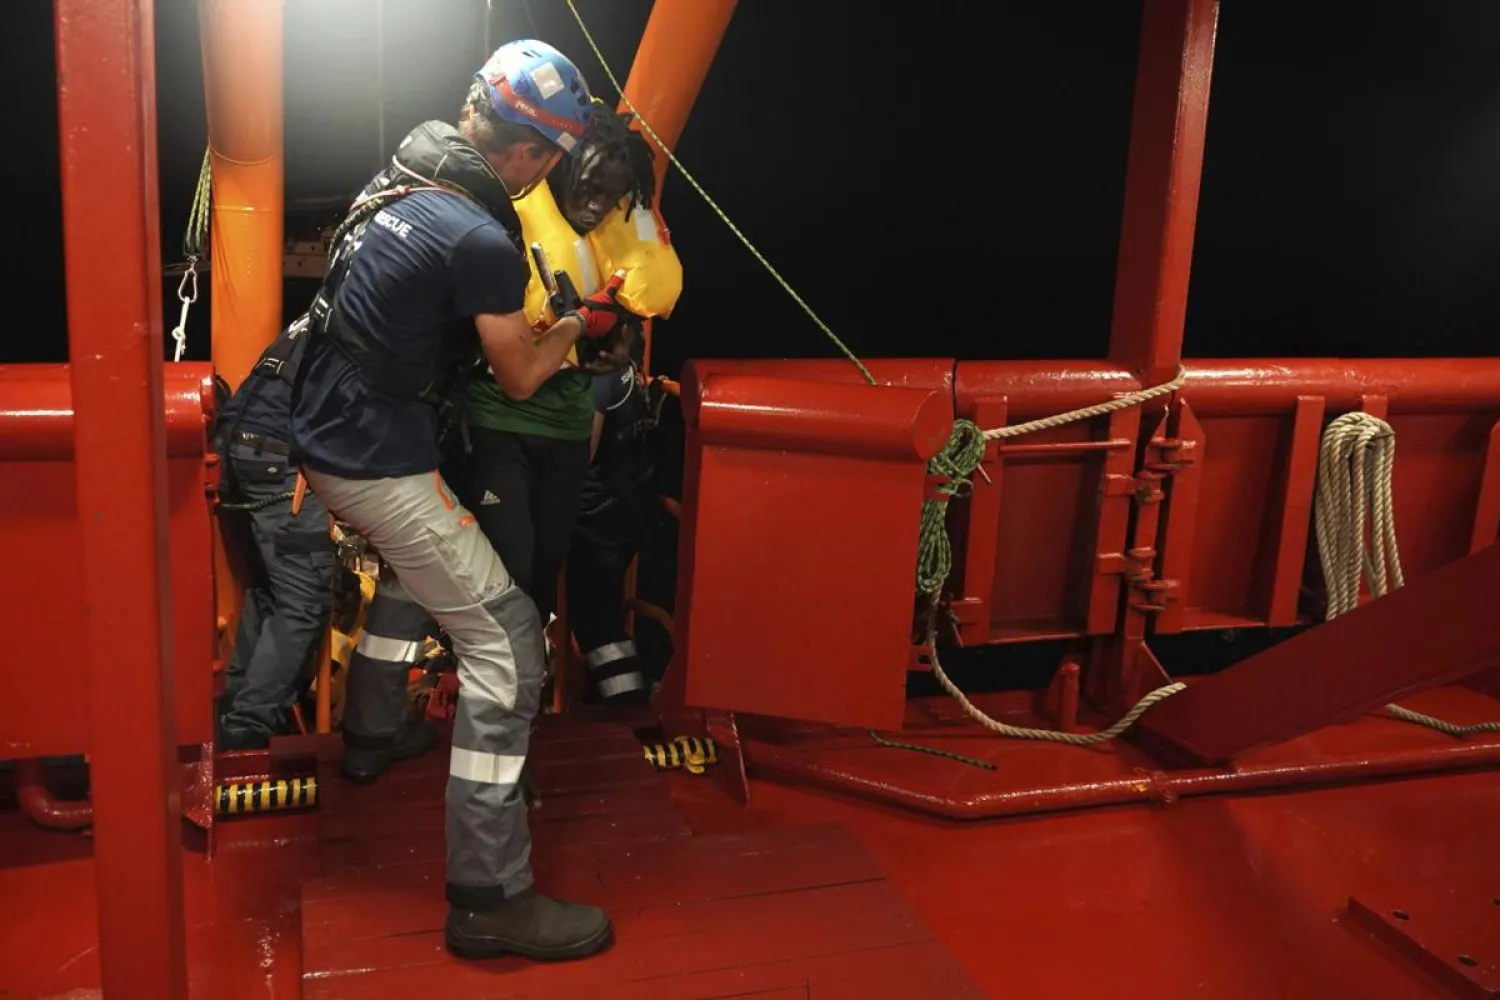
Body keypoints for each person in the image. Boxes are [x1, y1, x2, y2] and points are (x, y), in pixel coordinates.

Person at [289, 40, 631, 962]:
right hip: (376, 462)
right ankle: (488, 894)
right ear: (533, 154)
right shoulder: (481, 235)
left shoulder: (402, 174)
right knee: (509, 641)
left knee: (424, 575)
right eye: (551, 160)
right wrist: (574, 324)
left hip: (323, 433)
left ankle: (370, 734)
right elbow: (520, 378)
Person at [459, 105, 662, 640]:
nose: (596, 206)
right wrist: (573, 324)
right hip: (498, 418)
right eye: (590, 187)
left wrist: (621, 329)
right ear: (561, 167)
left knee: (546, 570)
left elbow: (643, 294)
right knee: (508, 569)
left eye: (610, 194)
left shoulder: (606, 239)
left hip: (568, 424)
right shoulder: (502, 212)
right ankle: (489, 690)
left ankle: (524, 700)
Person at [214, 322, 337, 751]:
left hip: (236, 445)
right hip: (276, 458)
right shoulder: (379, 318)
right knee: (304, 601)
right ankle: (249, 725)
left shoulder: (324, 311)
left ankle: (234, 705)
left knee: (269, 590)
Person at [565, 347, 665, 704]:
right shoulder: (624, 362)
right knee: (603, 610)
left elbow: (581, 455)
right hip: (632, 500)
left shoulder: (595, 377)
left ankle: (627, 706)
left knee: (595, 622)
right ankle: (633, 691)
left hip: (601, 519)